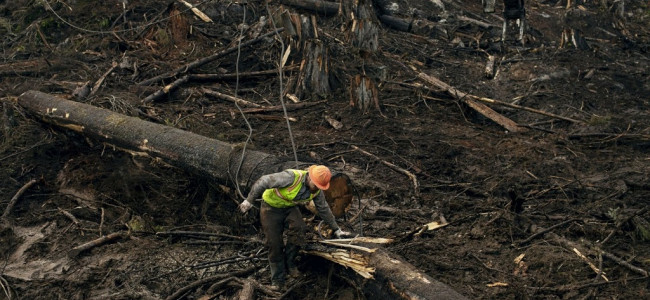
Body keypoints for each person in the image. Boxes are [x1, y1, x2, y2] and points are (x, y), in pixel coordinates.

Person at [238, 165, 351, 289]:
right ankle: (278, 279)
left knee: (300, 229)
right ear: (310, 178)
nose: (317, 189)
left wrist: (336, 229)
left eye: (320, 187)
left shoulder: (317, 190)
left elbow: (323, 209)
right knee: (274, 244)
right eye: (316, 185)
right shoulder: (291, 177)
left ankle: (290, 263)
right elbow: (264, 181)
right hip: (270, 208)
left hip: (289, 208)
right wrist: (249, 201)